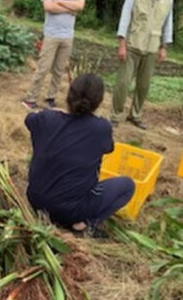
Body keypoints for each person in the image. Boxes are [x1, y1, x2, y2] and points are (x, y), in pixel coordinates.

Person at [25, 74, 135, 237]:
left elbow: (29, 119)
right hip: (70, 211)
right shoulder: (101, 128)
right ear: (98, 102)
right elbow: (108, 148)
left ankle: (62, 217)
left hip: (35, 201)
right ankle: (83, 225)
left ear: (68, 96)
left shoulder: (46, 118)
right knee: (127, 186)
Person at [112, 0, 175, 129]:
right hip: (132, 44)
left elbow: (168, 22)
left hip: (152, 47)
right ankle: (116, 115)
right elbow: (125, 18)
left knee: (144, 85)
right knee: (123, 83)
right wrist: (122, 43)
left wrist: (164, 46)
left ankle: (135, 115)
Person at [22, 0, 85, 110]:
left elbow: (80, 6)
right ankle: (31, 98)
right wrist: (70, 7)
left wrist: (60, 1)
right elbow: (48, 7)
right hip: (51, 35)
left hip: (68, 36)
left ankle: (51, 97)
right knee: (43, 68)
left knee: (59, 71)